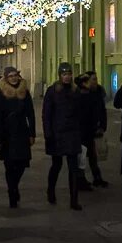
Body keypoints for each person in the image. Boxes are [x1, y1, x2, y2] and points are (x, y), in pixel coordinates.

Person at [42, 62, 84, 210]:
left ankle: (74, 199)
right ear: (60, 75)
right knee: (56, 165)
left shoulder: (75, 91)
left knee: (73, 168)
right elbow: (46, 114)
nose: (67, 77)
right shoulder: (52, 91)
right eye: (64, 74)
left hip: (72, 134)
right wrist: (48, 133)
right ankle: (51, 190)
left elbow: (80, 113)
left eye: (69, 74)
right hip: (57, 134)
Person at [0, 66, 35, 208]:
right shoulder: (0, 93)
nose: (14, 78)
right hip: (7, 134)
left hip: (22, 132)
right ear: (5, 78)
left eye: (15, 75)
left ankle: (14, 185)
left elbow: (30, 113)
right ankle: (12, 192)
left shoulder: (24, 92)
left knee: (22, 163)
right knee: (9, 166)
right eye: (10, 76)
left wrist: (32, 133)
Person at [81, 72, 109, 188]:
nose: (95, 81)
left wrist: (102, 126)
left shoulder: (98, 93)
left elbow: (102, 111)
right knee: (82, 155)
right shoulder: (83, 94)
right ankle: (81, 179)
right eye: (93, 79)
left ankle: (97, 177)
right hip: (83, 130)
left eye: (96, 79)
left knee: (93, 155)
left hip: (95, 128)